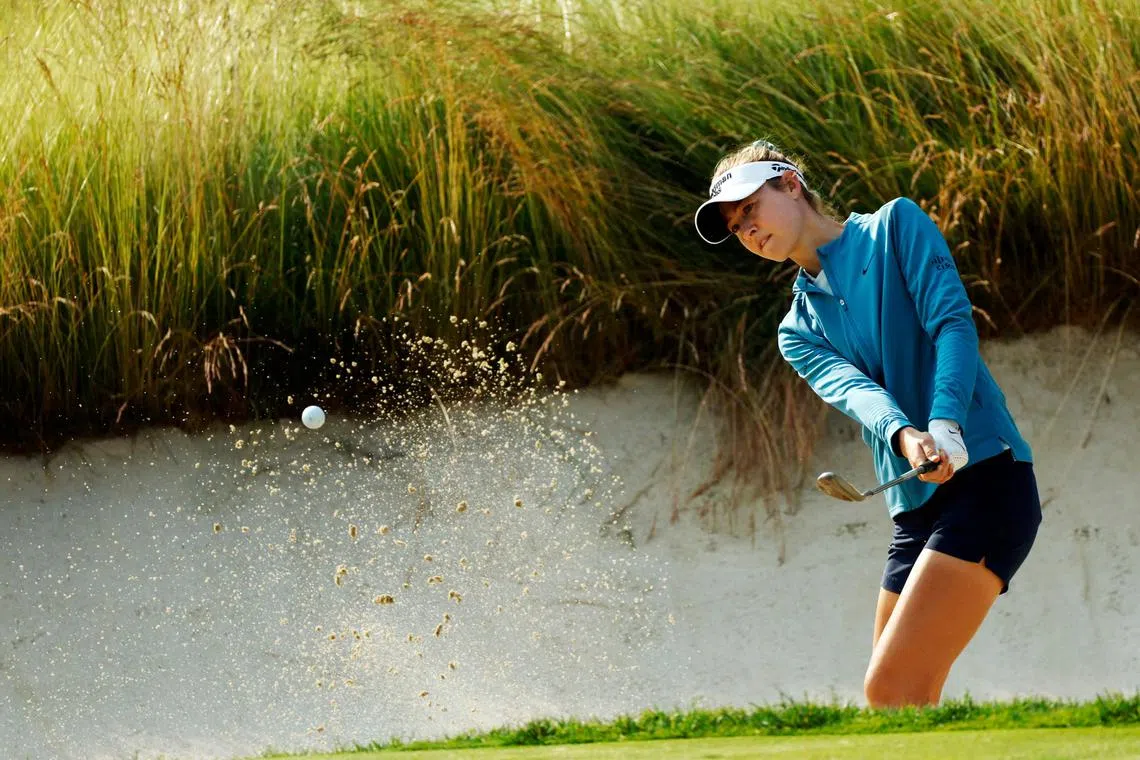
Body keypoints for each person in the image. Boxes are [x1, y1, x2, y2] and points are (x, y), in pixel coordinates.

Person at [693, 139, 1043, 708]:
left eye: (750, 209)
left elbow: (952, 323)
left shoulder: (895, 227)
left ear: (790, 184)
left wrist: (945, 421)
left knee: (891, 687)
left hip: (986, 479)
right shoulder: (796, 331)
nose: (748, 231)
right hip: (913, 509)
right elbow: (860, 395)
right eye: (736, 228)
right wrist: (907, 436)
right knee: (894, 704)